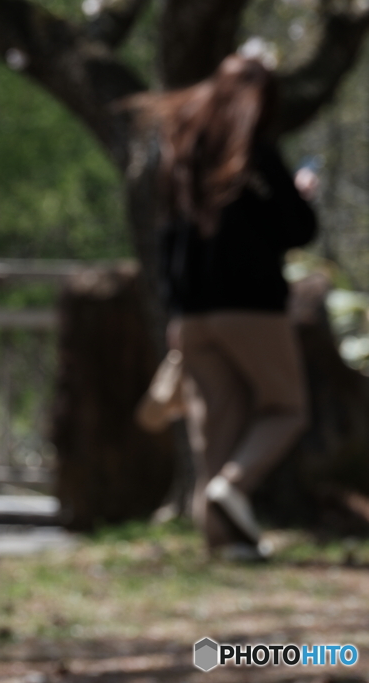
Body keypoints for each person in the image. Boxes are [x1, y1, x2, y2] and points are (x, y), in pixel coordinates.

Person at [137, 54, 318, 559]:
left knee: (217, 424)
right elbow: (297, 230)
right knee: (285, 410)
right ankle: (232, 488)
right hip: (252, 311)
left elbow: (166, 243)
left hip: (192, 316)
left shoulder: (182, 159)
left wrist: (175, 314)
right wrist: (300, 195)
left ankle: (223, 541)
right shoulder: (256, 157)